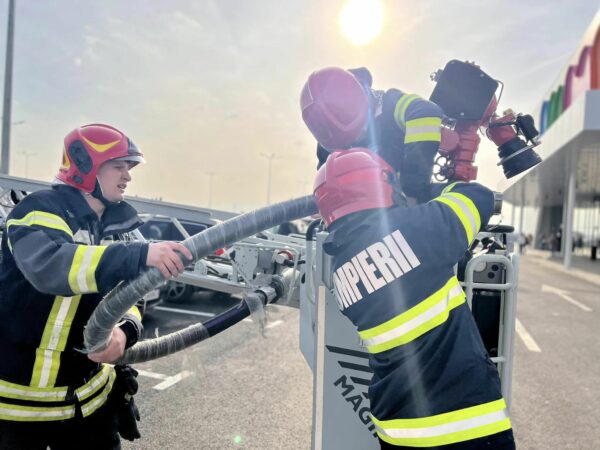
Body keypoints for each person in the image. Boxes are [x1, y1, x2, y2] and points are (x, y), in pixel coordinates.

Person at [0, 124, 192, 450]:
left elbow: (129, 297)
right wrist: (140, 254)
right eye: (118, 166)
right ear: (85, 167)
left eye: (128, 168)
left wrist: (124, 333)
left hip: (90, 407)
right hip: (19, 414)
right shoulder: (38, 211)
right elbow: (51, 267)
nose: (127, 176)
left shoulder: (115, 229)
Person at [313, 148, 515, 449]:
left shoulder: (341, 271)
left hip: (397, 432)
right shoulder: (419, 230)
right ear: (383, 187)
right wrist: (420, 188)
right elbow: (478, 196)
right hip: (466, 425)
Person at [301, 66, 443, 204]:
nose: (356, 139)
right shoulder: (329, 141)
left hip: (406, 205)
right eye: (348, 143)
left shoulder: (390, 103)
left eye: (360, 129)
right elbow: (327, 182)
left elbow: (425, 113)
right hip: (370, 215)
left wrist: (413, 190)